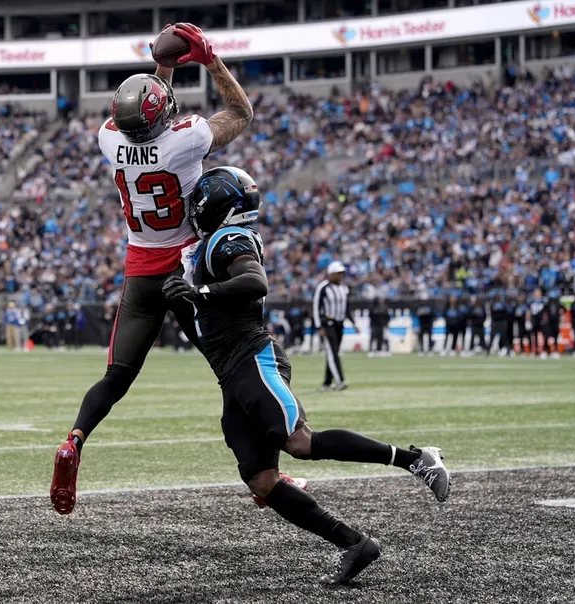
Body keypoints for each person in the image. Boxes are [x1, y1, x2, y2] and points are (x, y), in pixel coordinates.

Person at [161, 167, 451, 585]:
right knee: (262, 481)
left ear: (218, 205)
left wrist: (201, 291)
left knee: (300, 441)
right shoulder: (209, 246)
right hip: (231, 373)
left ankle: (416, 459)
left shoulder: (229, 238)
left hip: (253, 359)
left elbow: (254, 281)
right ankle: (355, 544)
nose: (195, 211)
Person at [51, 22, 255, 515]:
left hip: (140, 270)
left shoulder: (108, 139)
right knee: (232, 371)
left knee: (116, 376)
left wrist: (161, 67)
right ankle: (262, 474)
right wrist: (209, 60)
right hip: (187, 270)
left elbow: (149, 114)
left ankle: (74, 440)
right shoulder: (186, 140)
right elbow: (240, 113)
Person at [313, 262, 358, 390]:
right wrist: (319, 326)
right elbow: (316, 307)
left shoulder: (343, 288)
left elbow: (346, 308)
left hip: (340, 323)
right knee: (333, 352)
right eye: (338, 273)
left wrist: (353, 323)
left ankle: (327, 383)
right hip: (328, 324)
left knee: (333, 353)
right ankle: (340, 381)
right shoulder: (323, 287)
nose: (340, 276)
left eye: (341, 273)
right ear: (331, 274)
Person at [544, 293, 563, 358]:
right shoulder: (547, 304)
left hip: (556, 322)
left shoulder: (558, 304)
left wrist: (561, 312)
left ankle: (555, 351)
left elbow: (564, 309)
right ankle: (546, 350)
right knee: (547, 336)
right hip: (549, 323)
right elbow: (543, 311)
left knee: (556, 337)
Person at [529, 288, 547, 356]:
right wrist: (528, 320)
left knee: (544, 335)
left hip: (541, 320)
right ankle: (534, 350)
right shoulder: (531, 301)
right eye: (535, 293)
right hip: (534, 320)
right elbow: (529, 311)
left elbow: (546, 311)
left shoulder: (544, 301)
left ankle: (544, 350)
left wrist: (545, 319)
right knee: (534, 336)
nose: (536, 294)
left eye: (538, 293)